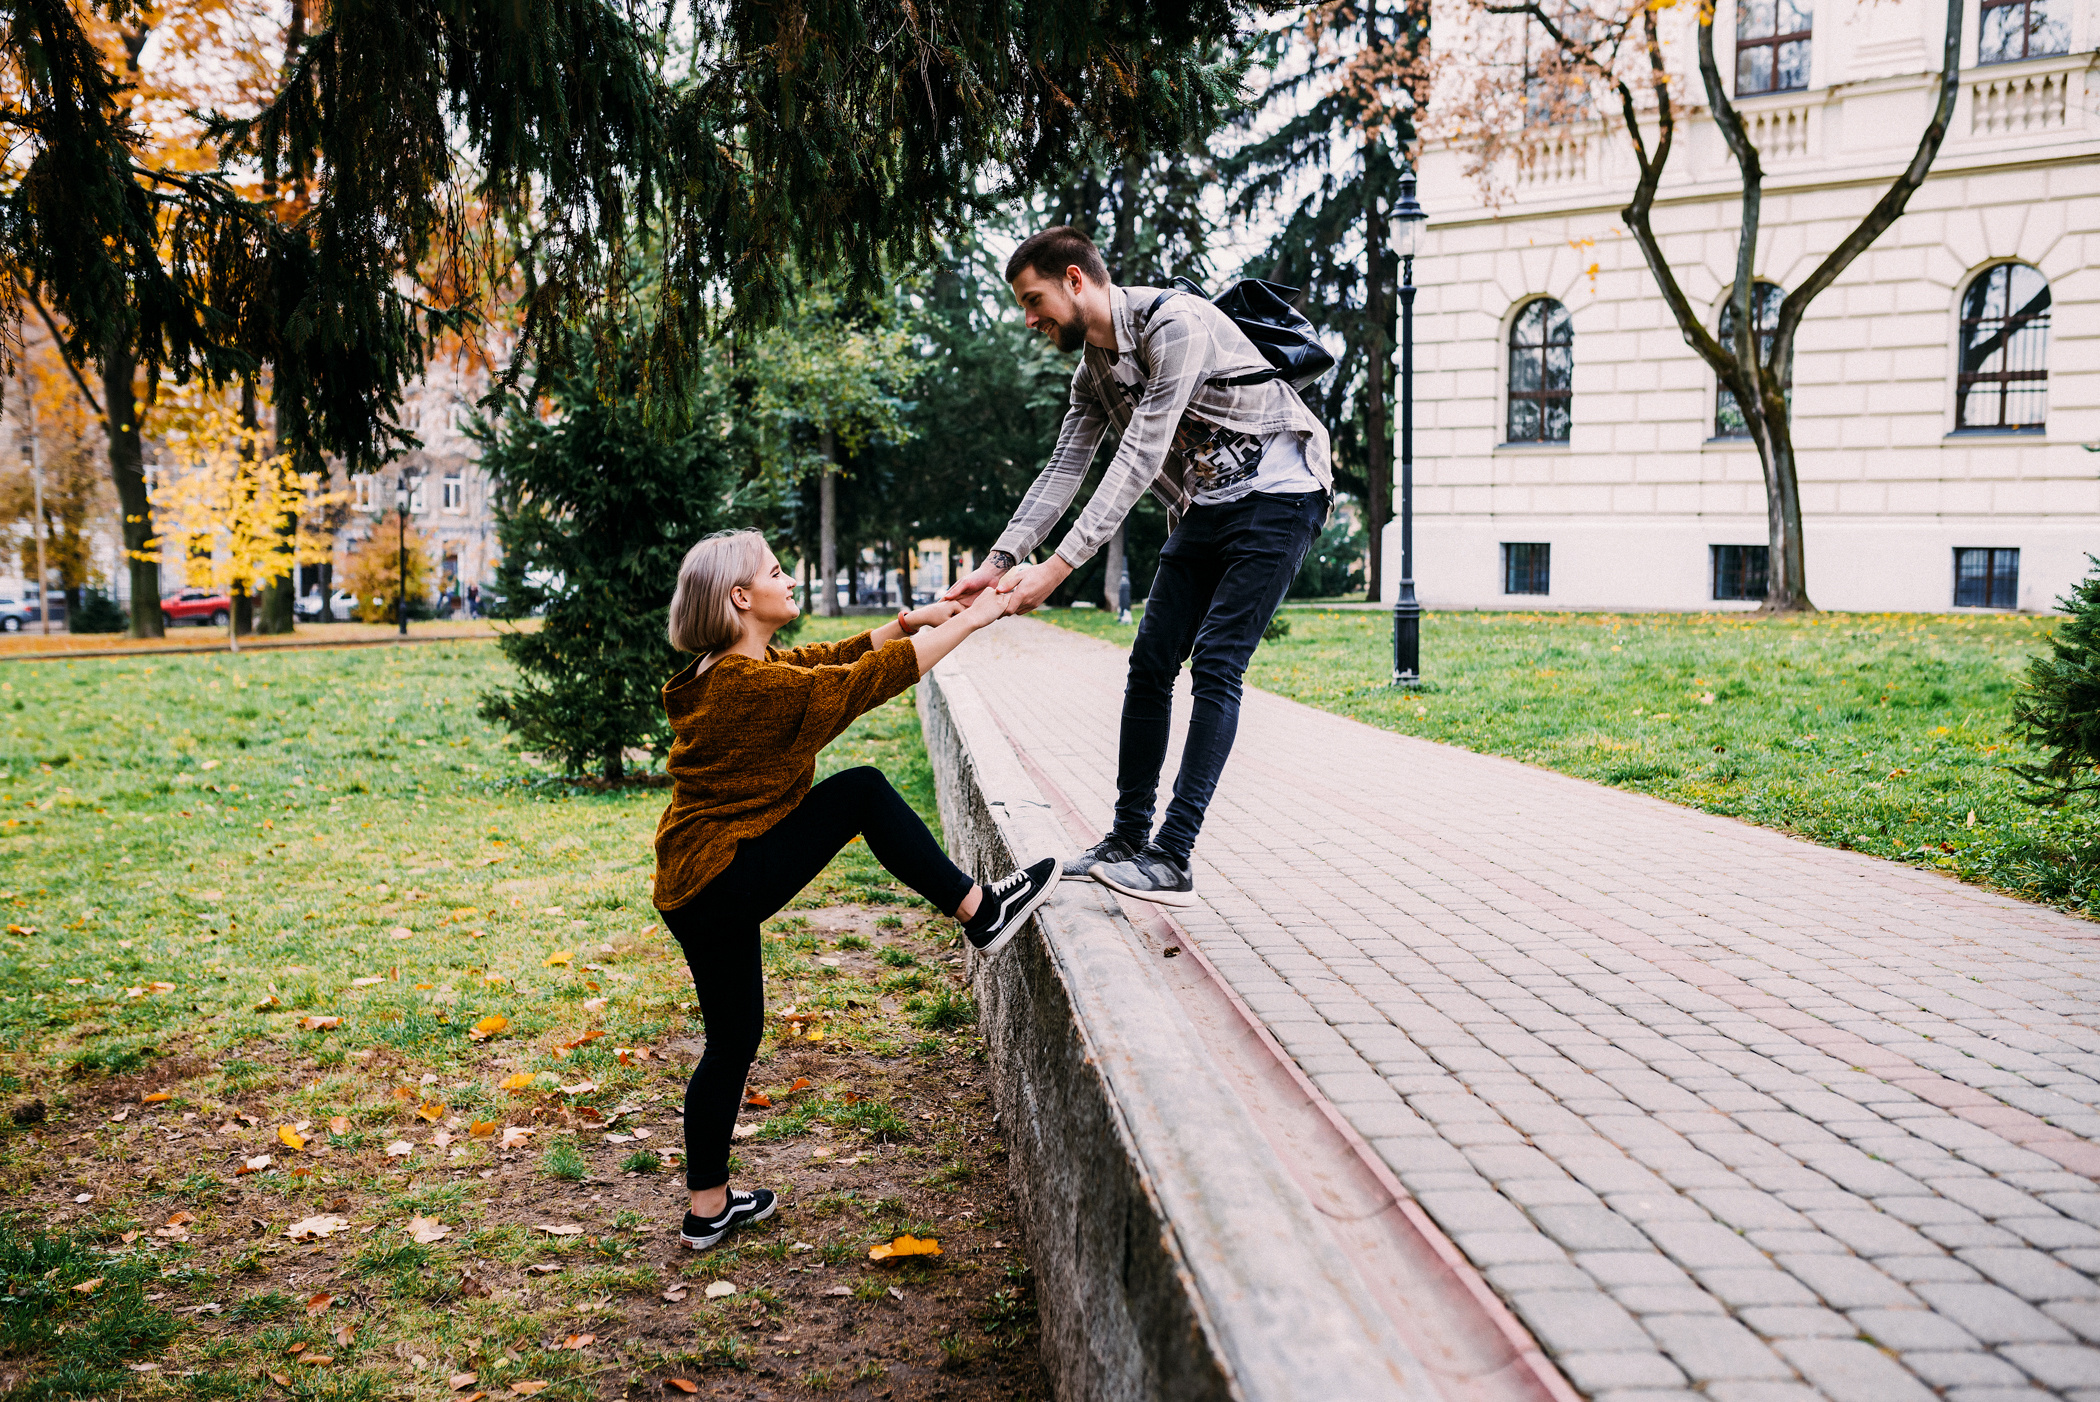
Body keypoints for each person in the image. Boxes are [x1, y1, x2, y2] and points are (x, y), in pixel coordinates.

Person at [654, 529, 1059, 1251]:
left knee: (733, 1036)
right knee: (862, 794)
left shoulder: (727, 669)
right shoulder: (753, 689)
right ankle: (981, 910)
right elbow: (857, 683)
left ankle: (706, 1209)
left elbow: (826, 662)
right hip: (719, 875)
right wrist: (977, 617)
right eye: (776, 571)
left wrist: (911, 620)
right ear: (741, 598)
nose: (789, 578)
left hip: (694, 881)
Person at [945, 226, 1332, 907]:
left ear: (1074, 280)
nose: (1030, 319)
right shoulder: (1091, 370)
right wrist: (1001, 559)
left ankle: (1172, 856)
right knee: (1150, 661)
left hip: (1281, 493)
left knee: (1216, 663)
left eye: (1034, 301)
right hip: (1207, 506)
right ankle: (1126, 839)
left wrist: (1058, 568)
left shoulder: (1174, 323)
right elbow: (1064, 468)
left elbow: (1141, 456)